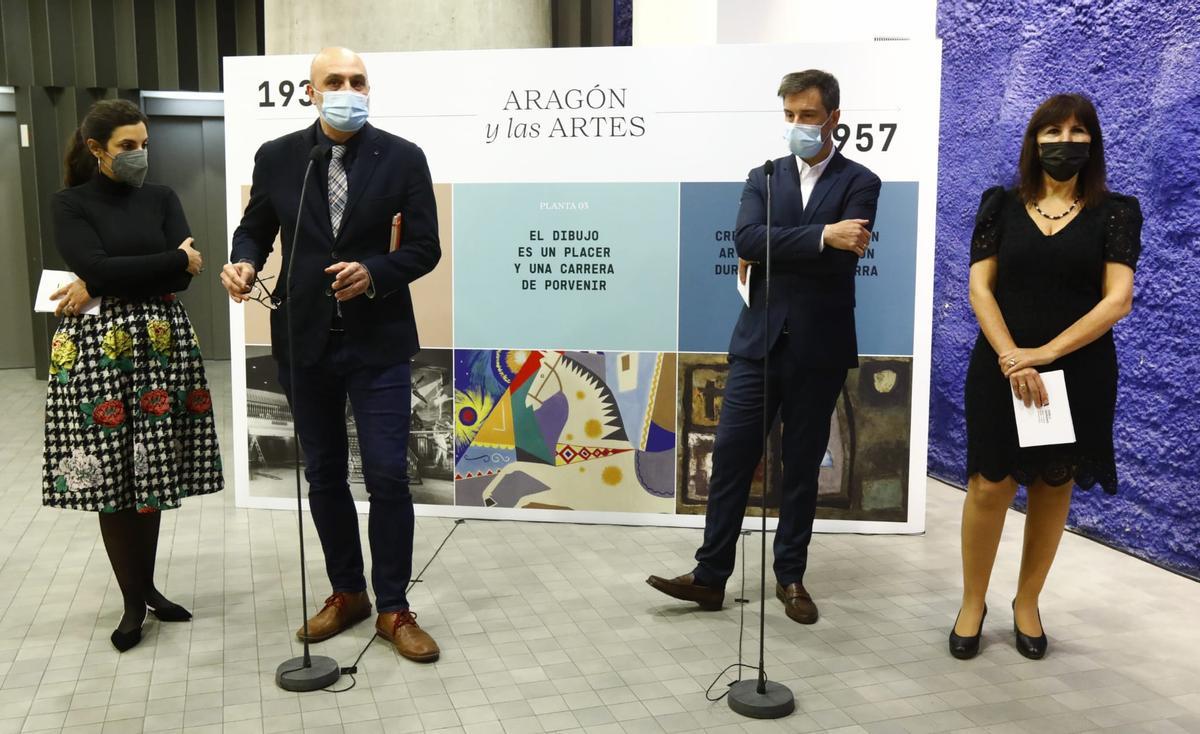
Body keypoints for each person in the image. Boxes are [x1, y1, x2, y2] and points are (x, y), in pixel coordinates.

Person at [222, 47, 442, 662]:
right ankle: (348, 593)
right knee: (322, 474)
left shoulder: (403, 157)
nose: (349, 89)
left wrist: (373, 272)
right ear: (311, 92)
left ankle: (394, 606)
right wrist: (243, 260)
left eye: (359, 81)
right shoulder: (280, 156)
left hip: (379, 343)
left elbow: (425, 248)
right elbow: (256, 227)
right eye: (335, 81)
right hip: (303, 336)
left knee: (387, 476)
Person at [647, 70, 880, 624]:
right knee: (731, 459)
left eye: (808, 115)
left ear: (833, 119)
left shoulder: (861, 181)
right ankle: (710, 577)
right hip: (758, 343)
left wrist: (789, 246)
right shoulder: (765, 177)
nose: (798, 125)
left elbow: (848, 255)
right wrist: (822, 235)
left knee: (801, 467)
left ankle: (790, 578)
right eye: (790, 116)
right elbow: (748, 240)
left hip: (820, 348)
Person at [952, 93, 1141, 660]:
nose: (1066, 141)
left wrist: (1044, 354)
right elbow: (980, 288)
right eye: (1053, 130)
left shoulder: (1117, 211)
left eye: (1079, 130)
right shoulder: (1000, 205)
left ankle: (1027, 602)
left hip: (1076, 369)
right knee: (990, 484)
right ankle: (971, 602)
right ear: (1034, 140)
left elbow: (1118, 301)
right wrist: (1014, 355)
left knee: (1053, 484)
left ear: (1094, 141)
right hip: (1000, 365)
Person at [43, 99, 223, 652]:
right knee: (112, 479)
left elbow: (187, 276)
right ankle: (131, 600)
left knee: (149, 474)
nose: (139, 154)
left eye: (144, 144)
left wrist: (109, 279)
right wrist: (166, 262)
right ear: (97, 149)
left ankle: (146, 590)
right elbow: (99, 267)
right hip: (98, 353)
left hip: (161, 347)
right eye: (127, 146)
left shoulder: (163, 197)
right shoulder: (70, 203)